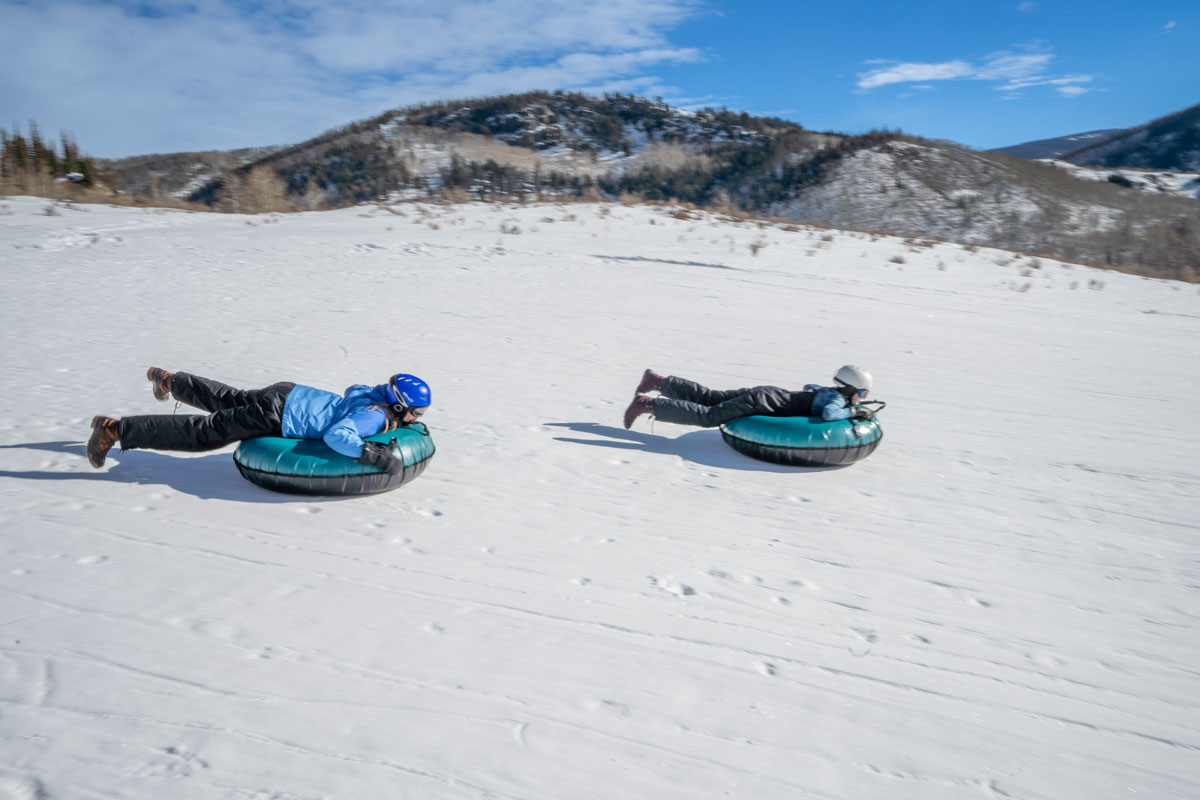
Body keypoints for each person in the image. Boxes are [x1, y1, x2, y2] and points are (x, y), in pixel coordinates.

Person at [87, 368, 431, 474]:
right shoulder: (375, 415)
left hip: (287, 392)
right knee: (204, 434)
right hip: (279, 414)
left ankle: (170, 381)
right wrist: (371, 454)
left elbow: (353, 391)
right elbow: (337, 435)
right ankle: (114, 430)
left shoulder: (369, 394)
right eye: (416, 412)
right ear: (398, 405)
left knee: (229, 400)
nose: (417, 418)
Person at [623, 364, 874, 429]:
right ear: (849, 389)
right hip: (761, 401)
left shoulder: (828, 391)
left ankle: (657, 381)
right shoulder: (836, 400)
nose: (862, 398)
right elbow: (830, 414)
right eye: (862, 393)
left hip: (767, 392)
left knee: (710, 397)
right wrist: (854, 411)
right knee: (710, 416)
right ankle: (647, 404)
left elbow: (809, 386)